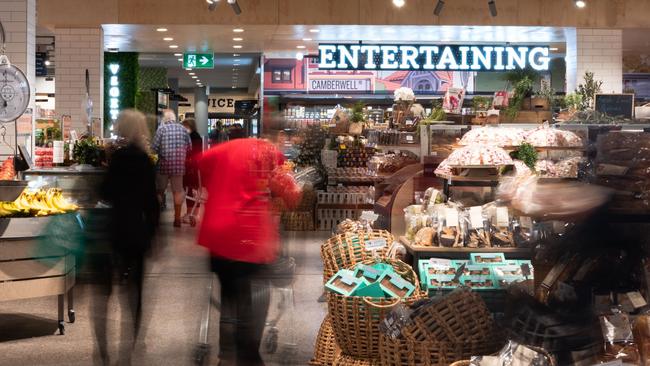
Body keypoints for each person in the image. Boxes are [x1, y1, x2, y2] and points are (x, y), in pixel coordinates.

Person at [198, 132, 302, 366]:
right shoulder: (267, 152)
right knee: (251, 301)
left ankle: (226, 357)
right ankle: (249, 358)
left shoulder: (222, 151)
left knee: (229, 297)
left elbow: (202, 164)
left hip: (217, 233)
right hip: (245, 236)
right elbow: (290, 191)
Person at [96, 109, 159, 366]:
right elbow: (151, 203)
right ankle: (130, 345)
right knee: (135, 291)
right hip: (138, 230)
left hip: (115, 228)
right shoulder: (145, 160)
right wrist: (153, 234)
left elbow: (106, 193)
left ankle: (103, 352)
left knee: (106, 291)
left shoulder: (118, 158)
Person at [152, 110, 191, 227]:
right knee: (177, 191)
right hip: (179, 165)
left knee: (159, 191)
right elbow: (189, 147)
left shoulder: (161, 129)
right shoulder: (183, 129)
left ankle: (156, 218)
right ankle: (177, 219)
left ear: (164, 119)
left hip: (164, 164)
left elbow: (154, 148)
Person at [181, 118, 203, 221]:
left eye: (185, 126)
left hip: (191, 167)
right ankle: (194, 214)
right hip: (195, 167)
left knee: (189, 190)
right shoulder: (197, 136)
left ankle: (190, 214)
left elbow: (191, 151)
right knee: (194, 191)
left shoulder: (191, 137)